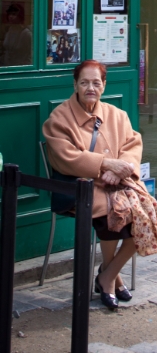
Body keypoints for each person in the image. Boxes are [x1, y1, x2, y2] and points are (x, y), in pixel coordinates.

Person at [43, 60, 144, 311]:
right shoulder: (59, 117)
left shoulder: (116, 114)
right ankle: (111, 280)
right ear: (75, 84)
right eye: (85, 82)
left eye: (96, 83)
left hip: (117, 185)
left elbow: (133, 145)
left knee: (146, 215)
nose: (91, 88)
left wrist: (122, 170)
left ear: (104, 85)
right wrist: (105, 165)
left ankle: (107, 274)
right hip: (83, 189)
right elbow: (64, 157)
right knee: (114, 214)